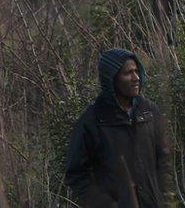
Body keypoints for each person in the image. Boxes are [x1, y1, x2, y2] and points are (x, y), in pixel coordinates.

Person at [65, 48, 174, 207]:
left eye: (137, 71)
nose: (136, 78)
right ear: (112, 78)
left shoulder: (149, 111)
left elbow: (164, 161)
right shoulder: (92, 121)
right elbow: (76, 175)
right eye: (128, 73)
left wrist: (166, 199)